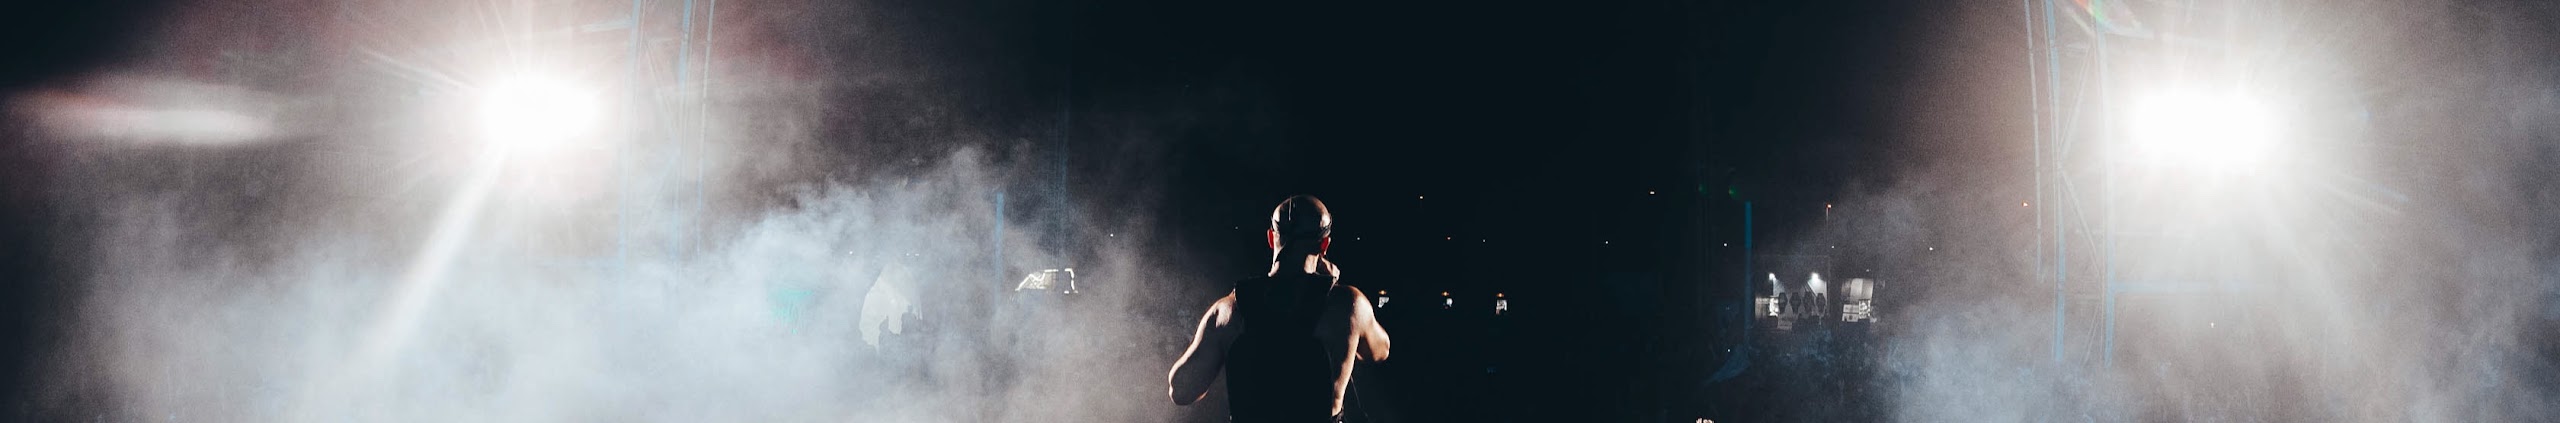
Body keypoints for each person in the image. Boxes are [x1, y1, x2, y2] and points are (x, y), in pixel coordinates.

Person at [1169, 195, 1391, 422]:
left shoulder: (1229, 310)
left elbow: (1181, 390)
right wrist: (1330, 286)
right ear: (1324, 245)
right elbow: (1381, 351)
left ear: (1270, 237)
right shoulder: (1348, 305)